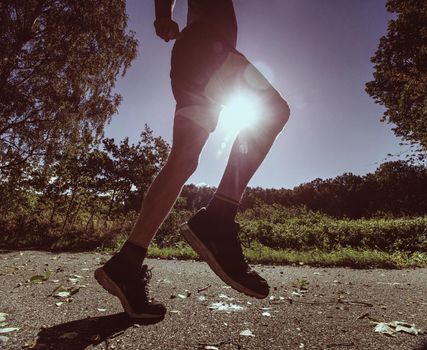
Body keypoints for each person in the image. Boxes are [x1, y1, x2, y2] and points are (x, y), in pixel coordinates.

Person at [95, 0, 290, 319]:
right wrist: (161, 15)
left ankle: (127, 262)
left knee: (184, 160)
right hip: (206, 48)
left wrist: (163, 18)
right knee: (273, 111)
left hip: (194, 59)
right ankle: (218, 218)